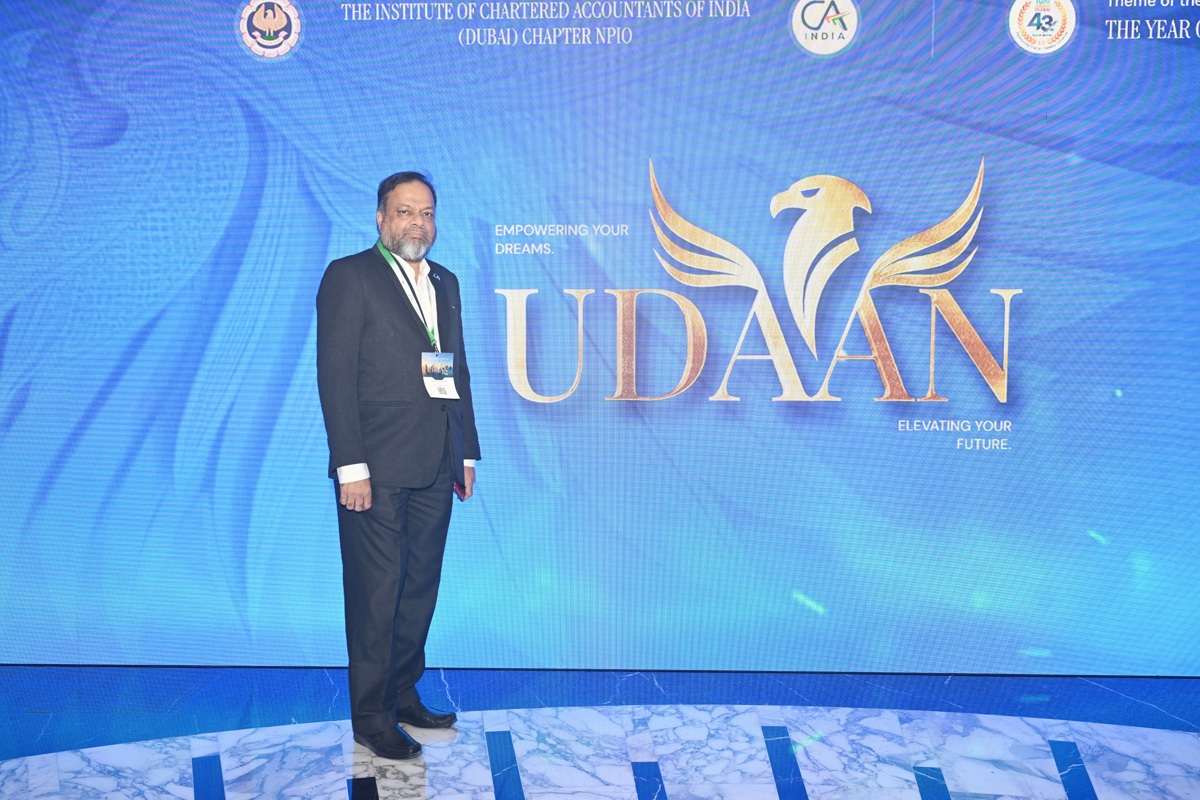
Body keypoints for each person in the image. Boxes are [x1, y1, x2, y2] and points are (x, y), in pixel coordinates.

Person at [316, 171, 480, 760]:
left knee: (418, 588)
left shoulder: (444, 281)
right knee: (376, 593)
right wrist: (350, 466)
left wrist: (464, 450)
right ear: (381, 218)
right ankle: (371, 716)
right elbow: (335, 377)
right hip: (376, 468)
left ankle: (403, 694)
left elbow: (449, 369)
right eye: (406, 211)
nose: (418, 223)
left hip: (435, 462)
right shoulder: (350, 276)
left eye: (427, 213)